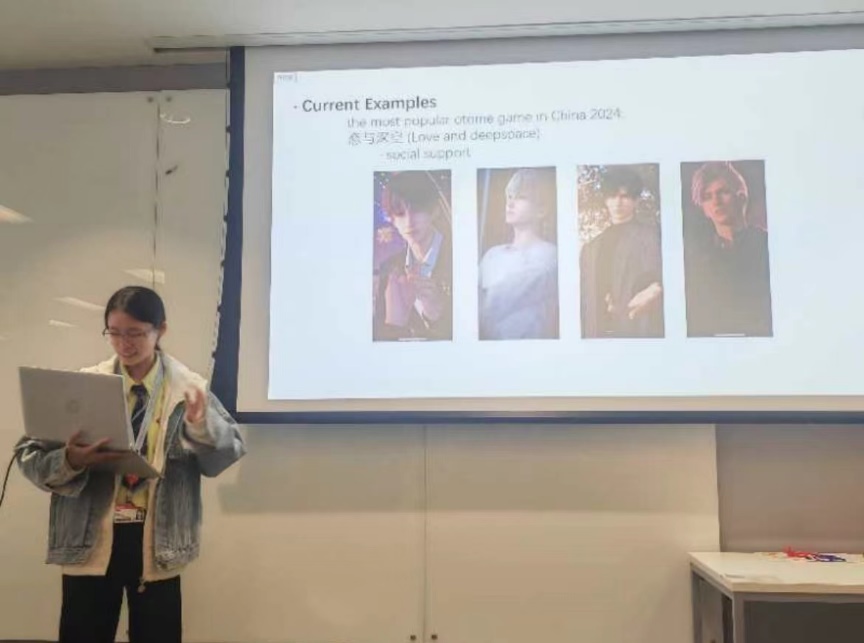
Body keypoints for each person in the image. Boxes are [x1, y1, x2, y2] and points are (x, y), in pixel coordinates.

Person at [15, 286, 246, 643]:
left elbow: (227, 454)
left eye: (136, 333)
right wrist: (71, 459)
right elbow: (29, 455)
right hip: (90, 535)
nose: (124, 344)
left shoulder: (188, 390)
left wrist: (201, 427)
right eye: (115, 333)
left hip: (158, 540)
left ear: (160, 330)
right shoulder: (83, 385)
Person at [683, 161, 773, 337]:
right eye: (707, 196)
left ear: (741, 198)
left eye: (723, 192)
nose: (716, 202)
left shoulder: (766, 244)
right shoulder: (696, 258)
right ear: (704, 210)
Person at [580, 166, 664, 338]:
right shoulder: (590, 248)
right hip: (597, 332)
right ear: (605, 200)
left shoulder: (651, 238)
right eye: (612, 196)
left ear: (636, 200)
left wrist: (657, 289)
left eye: (624, 196)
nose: (618, 203)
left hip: (638, 329)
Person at [478, 168, 559, 340]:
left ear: (541, 210)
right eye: (509, 196)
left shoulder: (551, 255)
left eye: (521, 197)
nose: (510, 203)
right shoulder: (492, 256)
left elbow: (494, 304)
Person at [373, 171, 453, 341]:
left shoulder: (458, 257)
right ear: (392, 220)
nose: (409, 222)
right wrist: (394, 322)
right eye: (400, 213)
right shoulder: (389, 267)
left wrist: (438, 316)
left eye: (417, 210)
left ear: (435, 211)